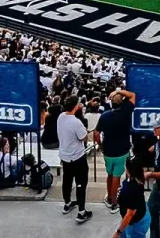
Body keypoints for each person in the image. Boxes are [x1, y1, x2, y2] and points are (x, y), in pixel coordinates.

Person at [94, 88, 135, 213]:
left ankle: (110, 197)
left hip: (108, 150)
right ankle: (114, 203)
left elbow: (96, 134)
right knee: (116, 178)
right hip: (122, 150)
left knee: (110, 175)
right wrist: (120, 91)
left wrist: (100, 145)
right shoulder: (126, 110)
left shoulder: (104, 116)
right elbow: (133, 95)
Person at [57, 95, 93, 224]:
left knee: (66, 181)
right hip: (77, 158)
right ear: (75, 106)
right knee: (80, 184)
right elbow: (84, 138)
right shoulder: (76, 122)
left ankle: (67, 204)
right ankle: (81, 212)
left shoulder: (61, 117)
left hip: (65, 156)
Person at [114, 157, 149, 238]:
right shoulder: (138, 179)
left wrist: (118, 233)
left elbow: (130, 213)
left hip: (135, 222)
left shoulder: (130, 188)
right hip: (140, 215)